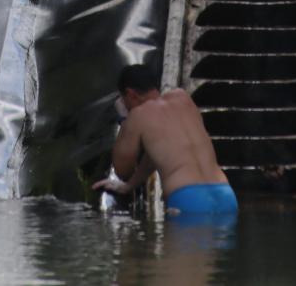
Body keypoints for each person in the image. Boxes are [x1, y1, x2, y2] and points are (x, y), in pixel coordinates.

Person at [93, 63, 238, 218]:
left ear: (130, 94)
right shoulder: (183, 98)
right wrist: (129, 186)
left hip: (188, 200)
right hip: (226, 196)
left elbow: (123, 170)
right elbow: (158, 154)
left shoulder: (138, 115)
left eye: (125, 102)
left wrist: (123, 119)